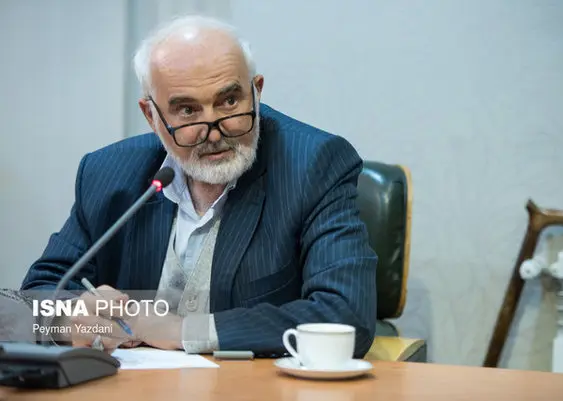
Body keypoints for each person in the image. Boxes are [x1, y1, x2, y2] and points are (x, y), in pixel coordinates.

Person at [20, 14, 377, 358]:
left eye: (229, 101)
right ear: (151, 116)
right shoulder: (108, 173)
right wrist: (68, 320)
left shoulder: (313, 164)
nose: (214, 131)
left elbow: (345, 315)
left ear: (256, 92)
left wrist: (183, 331)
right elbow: (30, 301)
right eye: (188, 111)